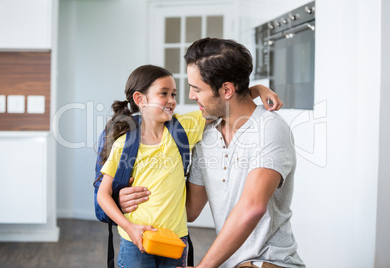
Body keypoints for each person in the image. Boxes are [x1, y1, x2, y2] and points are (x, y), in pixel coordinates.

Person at [119, 38, 305, 268]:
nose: (190, 96)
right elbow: (189, 210)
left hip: (270, 260)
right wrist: (130, 198)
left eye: (197, 89)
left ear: (226, 89)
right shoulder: (207, 135)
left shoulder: (269, 128)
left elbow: (252, 207)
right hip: (229, 263)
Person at [96, 64, 281, 268]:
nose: (171, 101)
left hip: (175, 241)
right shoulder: (125, 144)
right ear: (141, 99)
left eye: (173, 94)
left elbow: (223, 106)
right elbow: (103, 195)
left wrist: (256, 90)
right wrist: (129, 227)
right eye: (163, 94)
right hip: (136, 241)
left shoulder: (183, 128)